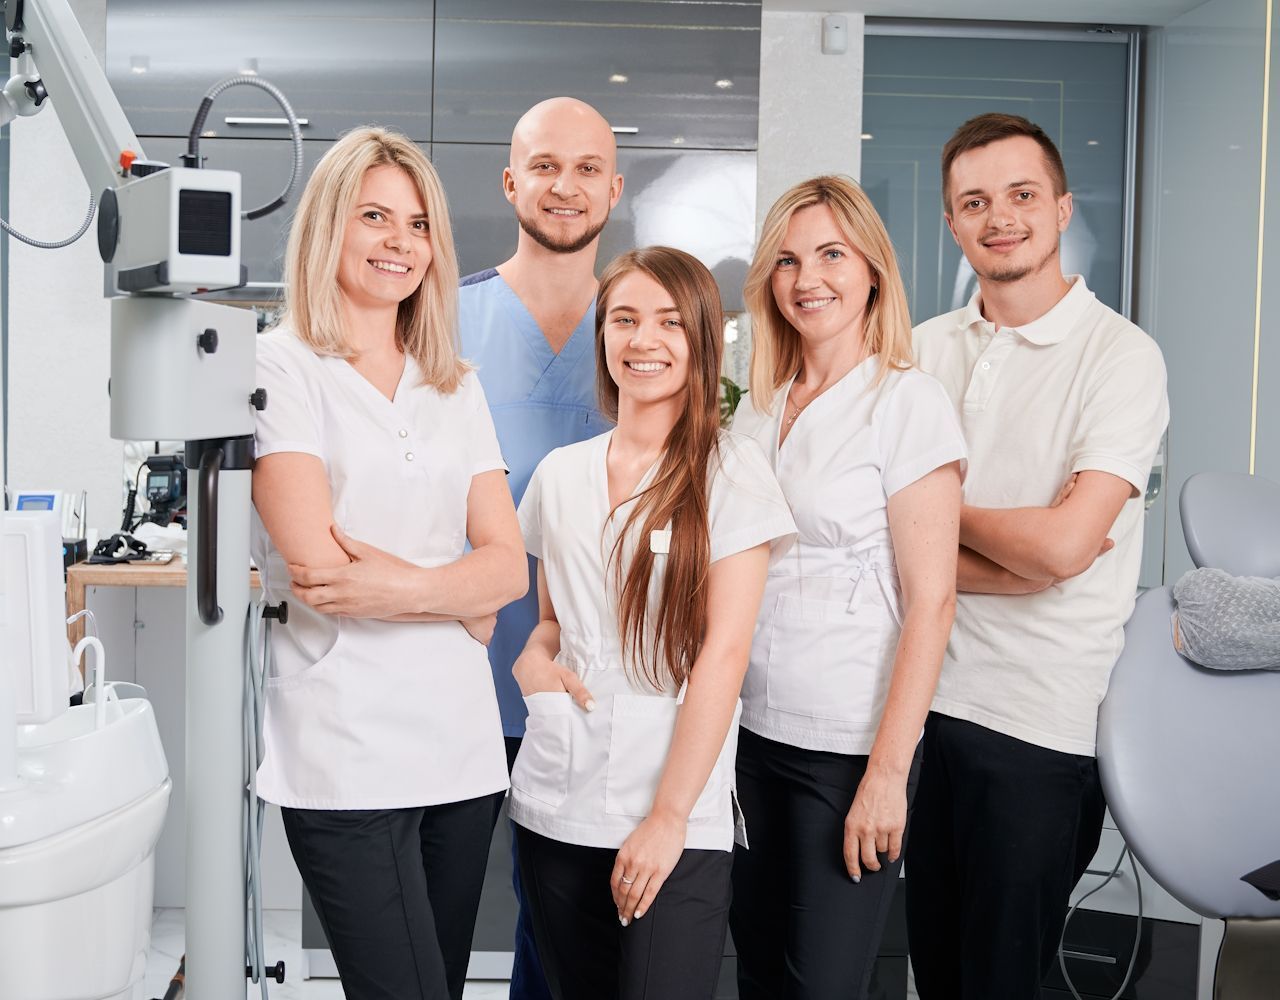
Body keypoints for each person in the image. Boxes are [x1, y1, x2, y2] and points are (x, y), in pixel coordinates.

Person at [249, 126, 528, 1000]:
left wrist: (415, 587)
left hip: (461, 749)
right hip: (344, 746)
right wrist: (458, 598)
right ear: (331, 225)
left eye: (417, 224)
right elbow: (319, 568)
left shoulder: (454, 383)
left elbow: (510, 570)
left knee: (435, 982)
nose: (399, 243)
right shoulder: (278, 366)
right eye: (375, 217)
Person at [905, 113, 1169, 999]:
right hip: (913, 708)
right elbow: (872, 532)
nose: (999, 218)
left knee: (1000, 982)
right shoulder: (920, 350)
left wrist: (933, 513)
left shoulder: (1121, 357)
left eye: (1021, 196)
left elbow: (1063, 547)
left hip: (1036, 729)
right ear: (952, 223)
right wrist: (1019, 552)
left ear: (1060, 209)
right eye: (974, 202)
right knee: (931, 973)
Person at [509, 246, 796, 1000]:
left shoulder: (730, 473)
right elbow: (551, 622)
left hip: (674, 808)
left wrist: (668, 817)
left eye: (670, 322)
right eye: (625, 319)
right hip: (557, 796)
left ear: (702, 340)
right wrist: (531, 666)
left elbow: (725, 656)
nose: (644, 340)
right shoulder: (560, 475)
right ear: (602, 336)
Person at [728, 175, 966, 1000]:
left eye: (831, 254)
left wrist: (887, 774)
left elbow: (932, 601)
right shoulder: (757, 410)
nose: (807, 279)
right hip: (747, 739)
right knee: (757, 973)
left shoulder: (908, 403)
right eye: (788, 260)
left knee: (821, 984)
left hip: (846, 753)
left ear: (873, 270)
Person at [457, 95, 623, 999]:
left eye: (588, 167)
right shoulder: (440, 318)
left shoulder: (644, 329)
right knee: (438, 913)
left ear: (614, 188)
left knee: (566, 928)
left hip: (595, 679)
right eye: (546, 165)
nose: (566, 186)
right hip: (461, 675)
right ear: (511, 180)